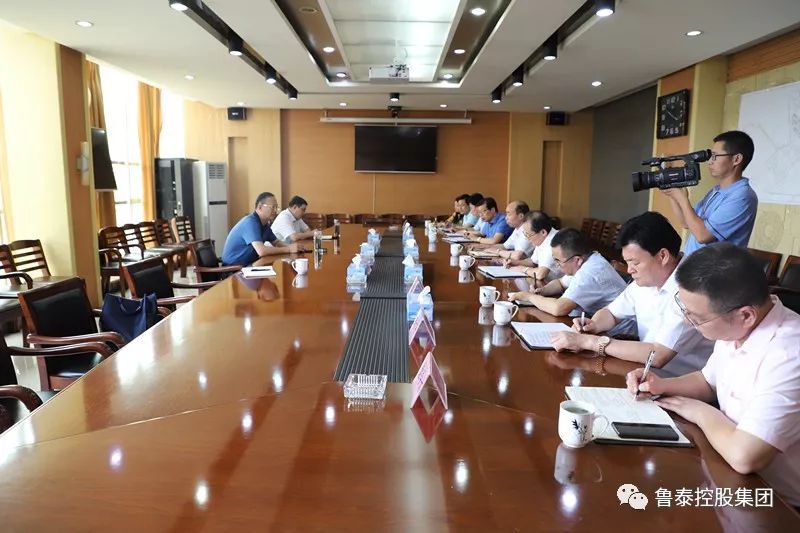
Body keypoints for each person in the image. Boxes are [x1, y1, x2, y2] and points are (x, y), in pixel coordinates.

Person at [626, 243, 800, 507]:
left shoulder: (789, 354)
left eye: (697, 318)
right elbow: (708, 381)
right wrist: (660, 384)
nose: (688, 322)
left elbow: (745, 456)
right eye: (685, 311)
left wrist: (698, 411)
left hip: (779, 503)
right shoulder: (737, 326)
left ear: (745, 315)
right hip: (728, 473)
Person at [551, 212, 714, 376]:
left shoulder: (690, 289)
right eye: (627, 262)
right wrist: (593, 325)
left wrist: (589, 342)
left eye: (635, 263)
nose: (629, 270)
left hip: (680, 382)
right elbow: (610, 313)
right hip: (644, 374)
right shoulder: (645, 281)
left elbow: (658, 354)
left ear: (663, 256)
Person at [662, 130, 758, 255]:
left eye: (715, 156)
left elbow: (702, 235)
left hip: (714, 267)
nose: (710, 162)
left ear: (736, 159)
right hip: (693, 264)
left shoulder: (742, 197)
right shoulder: (716, 191)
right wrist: (672, 192)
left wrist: (682, 199)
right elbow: (686, 223)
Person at [508, 228, 627, 318]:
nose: (556, 265)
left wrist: (529, 297)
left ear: (577, 260)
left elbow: (558, 308)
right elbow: (560, 283)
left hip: (617, 334)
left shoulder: (589, 273)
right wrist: (542, 291)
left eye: (558, 261)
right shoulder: (589, 258)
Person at [221, 192, 303, 265]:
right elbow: (262, 251)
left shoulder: (265, 224)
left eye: (276, 207)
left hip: (250, 265)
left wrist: (294, 247)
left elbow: (276, 242)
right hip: (234, 269)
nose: (275, 210)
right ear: (259, 207)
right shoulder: (250, 222)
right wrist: (288, 249)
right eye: (272, 207)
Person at [503, 211, 561, 281]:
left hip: (557, 285)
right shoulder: (542, 238)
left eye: (528, 235)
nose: (527, 238)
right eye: (525, 234)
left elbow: (540, 274)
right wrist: (515, 262)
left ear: (543, 232)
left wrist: (523, 269)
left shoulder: (553, 242)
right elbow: (533, 262)